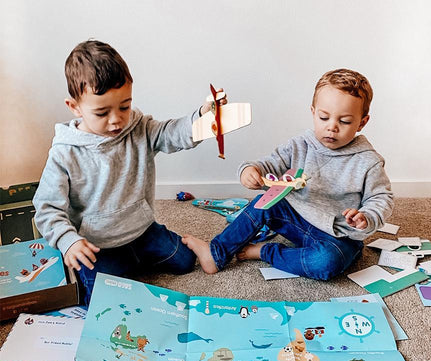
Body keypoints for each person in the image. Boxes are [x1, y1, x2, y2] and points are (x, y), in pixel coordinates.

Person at [33, 40, 220, 304]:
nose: (116, 119)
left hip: (141, 229)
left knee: (184, 262)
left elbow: (170, 133)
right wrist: (68, 241)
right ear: (74, 107)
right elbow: (47, 207)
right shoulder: (65, 152)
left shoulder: (138, 128)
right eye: (101, 112)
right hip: (99, 244)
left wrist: (201, 118)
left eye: (124, 106)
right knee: (102, 301)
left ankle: (161, 252)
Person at [182, 69, 394, 280]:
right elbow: (269, 164)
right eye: (324, 117)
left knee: (326, 262)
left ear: (362, 122)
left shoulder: (368, 161)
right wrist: (251, 170)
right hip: (297, 219)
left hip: (338, 236)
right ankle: (216, 253)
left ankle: (264, 251)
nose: (332, 127)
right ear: (313, 112)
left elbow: (381, 198)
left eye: (345, 121)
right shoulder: (300, 145)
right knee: (263, 202)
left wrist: (366, 217)